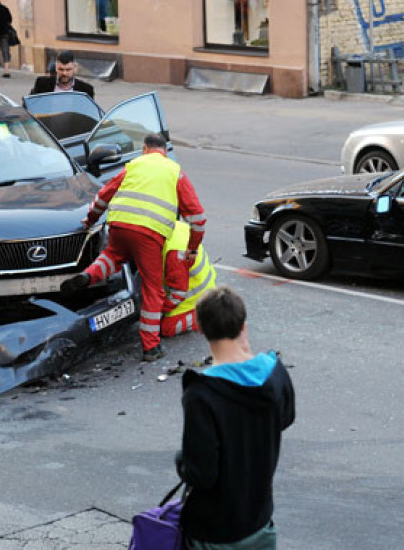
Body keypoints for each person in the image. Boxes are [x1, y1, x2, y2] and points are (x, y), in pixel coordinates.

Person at [61, 134, 206, 361]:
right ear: (164, 151)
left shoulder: (133, 165)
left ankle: (88, 276)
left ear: (145, 148)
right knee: (152, 287)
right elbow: (197, 217)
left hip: (119, 224)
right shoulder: (174, 171)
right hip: (149, 233)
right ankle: (150, 347)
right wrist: (193, 246)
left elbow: (103, 196)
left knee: (112, 255)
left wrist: (90, 220)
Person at [176, 286, 295, 550]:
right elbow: (284, 419)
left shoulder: (201, 394)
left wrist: (181, 461)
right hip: (258, 521)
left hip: (215, 530)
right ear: (243, 325)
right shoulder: (274, 373)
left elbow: (201, 474)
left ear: (200, 329)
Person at [162, 221, 217, 337]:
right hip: (200, 286)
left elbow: (178, 293)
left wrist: (160, 309)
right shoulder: (176, 226)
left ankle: (204, 316)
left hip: (193, 296)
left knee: (167, 328)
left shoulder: (175, 252)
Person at [30, 50, 95, 100]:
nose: (64, 73)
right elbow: (29, 105)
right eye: (61, 69)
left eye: (68, 70)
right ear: (56, 68)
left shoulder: (86, 90)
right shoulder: (42, 84)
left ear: (75, 68)